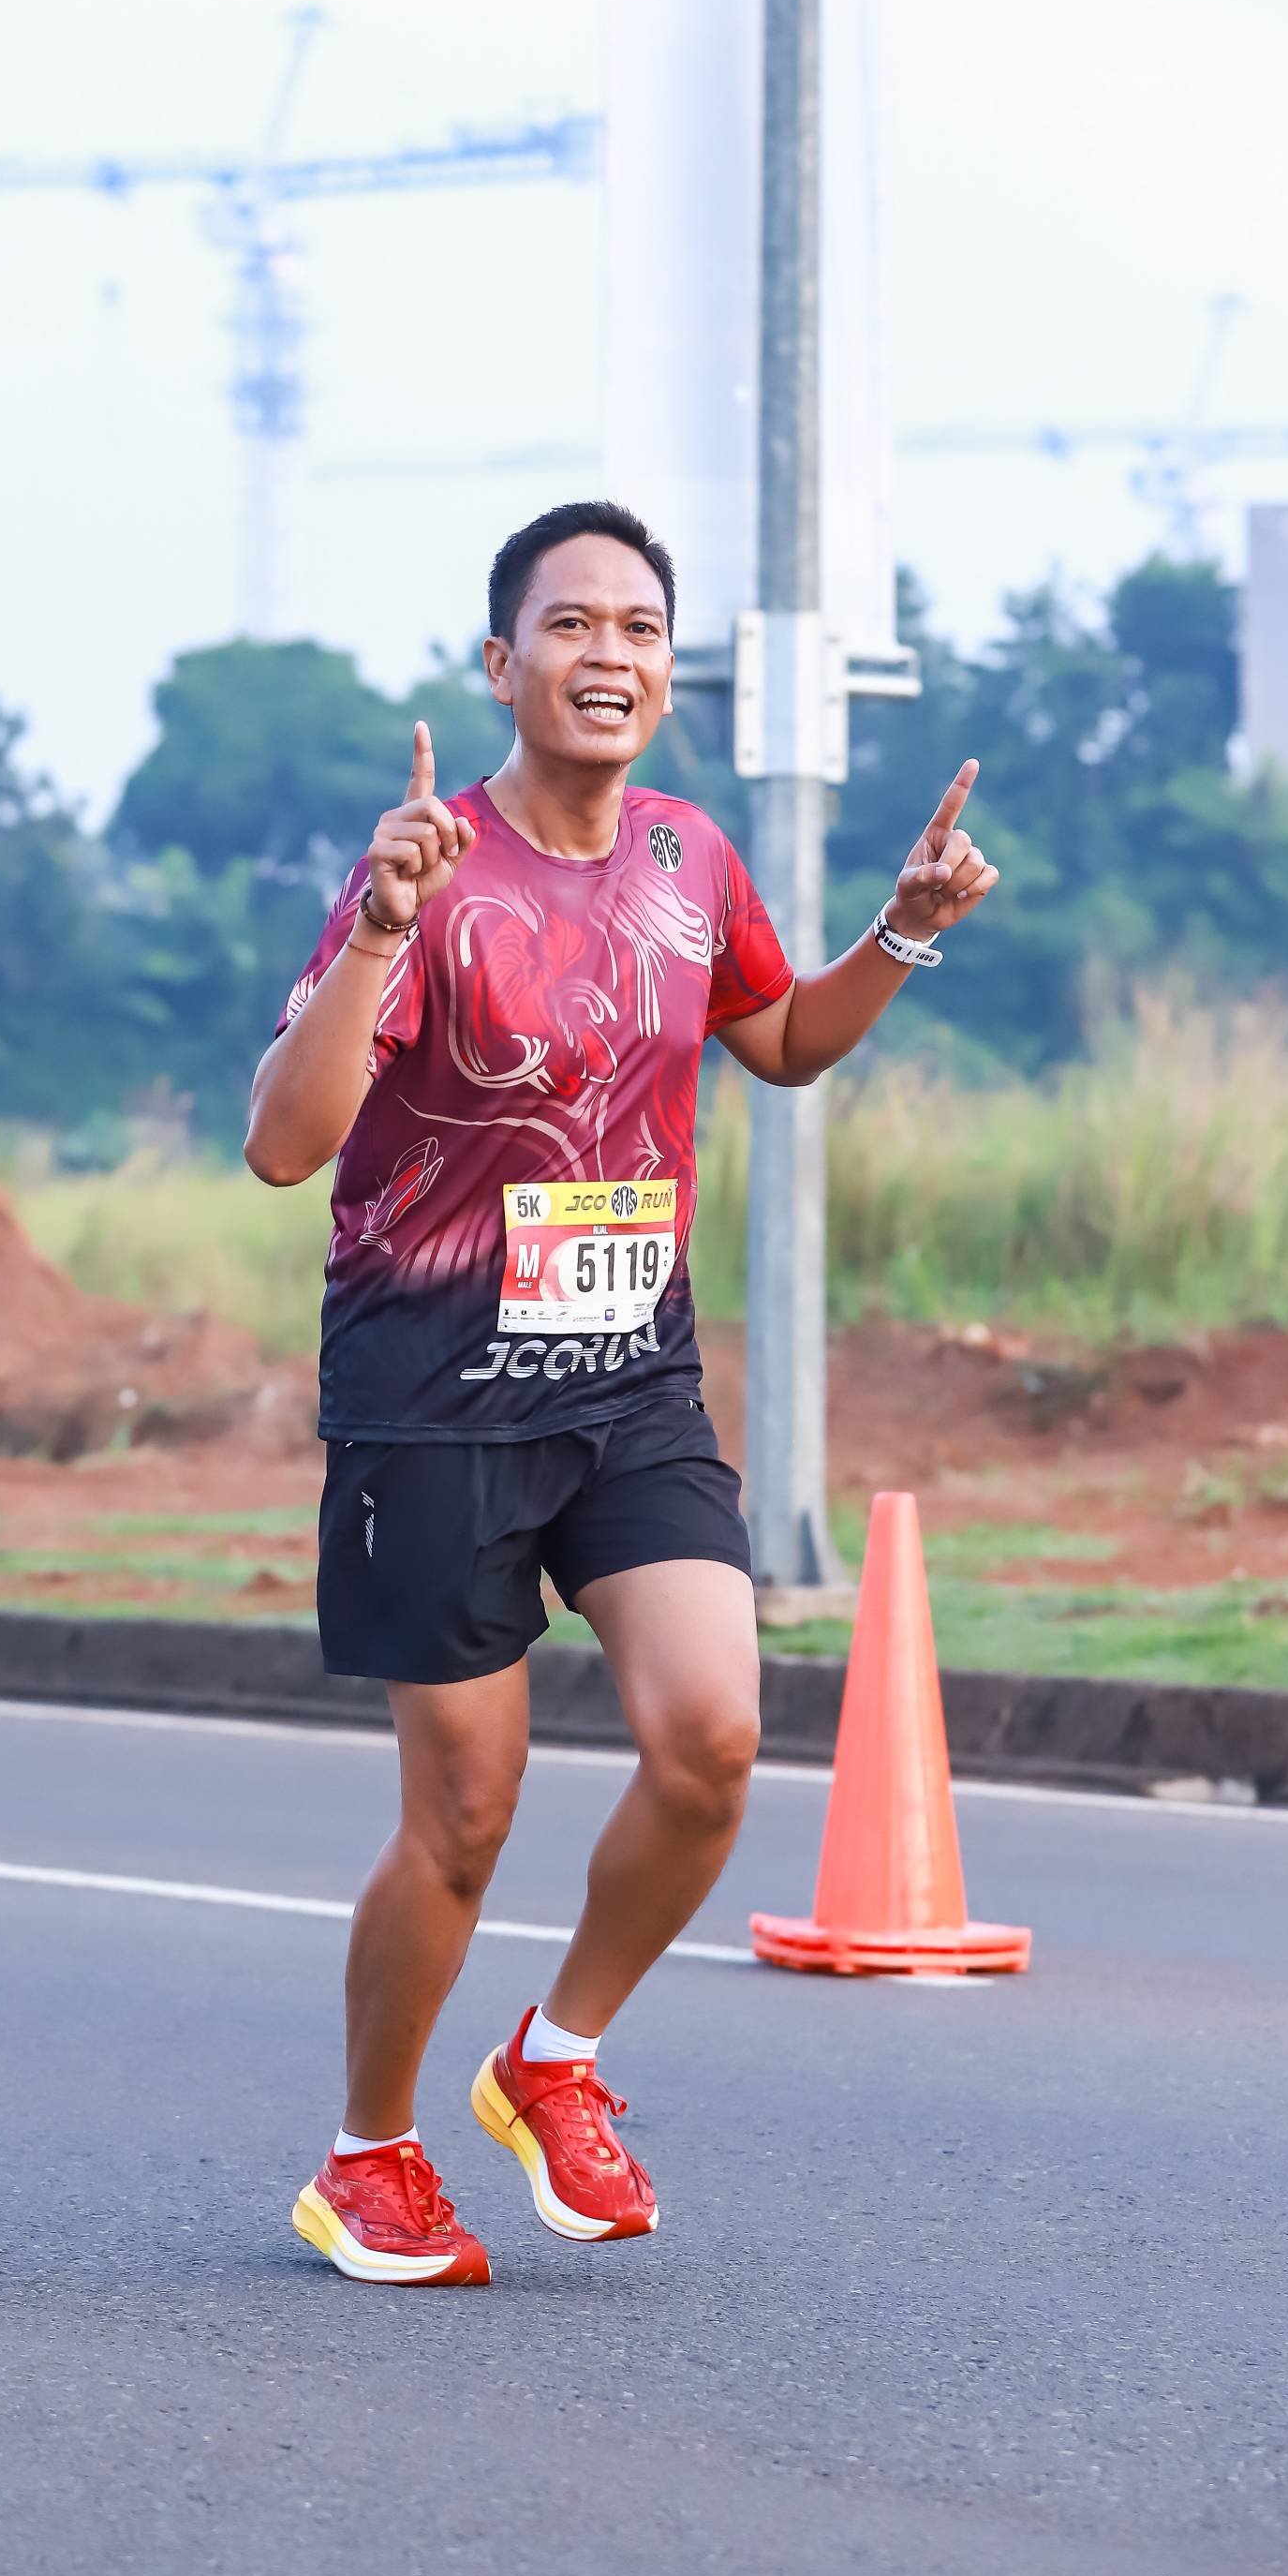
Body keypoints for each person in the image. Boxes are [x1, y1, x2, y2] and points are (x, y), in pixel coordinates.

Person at [246, 499, 998, 2286]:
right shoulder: (431, 874)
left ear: (668, 671)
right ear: (501, 664)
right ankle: (368, 2152)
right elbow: (284, 1144)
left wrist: (899, 935)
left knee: (714, 1737)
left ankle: (554, 2054)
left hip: (630, 1380)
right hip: (433, 1399)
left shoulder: (687, 856)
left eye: (642, 628)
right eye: (571, 624)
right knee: (465, 1816)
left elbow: (783, 1043)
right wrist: (378, 930)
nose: (610, 654)